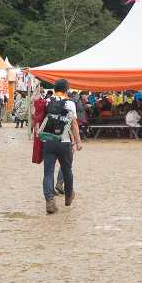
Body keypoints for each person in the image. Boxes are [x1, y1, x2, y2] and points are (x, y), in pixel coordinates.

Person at [37, 78, 82, 214]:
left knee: (48, 172)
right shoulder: (70, 103)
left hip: (49, 141)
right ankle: (68, 196)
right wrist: (78, 141)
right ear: (66, 89)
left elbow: (40, 119)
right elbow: (73, 124)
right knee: (67, 170)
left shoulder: (47, 101)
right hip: (64, 142)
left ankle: (50, 201)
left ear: (55, 89)